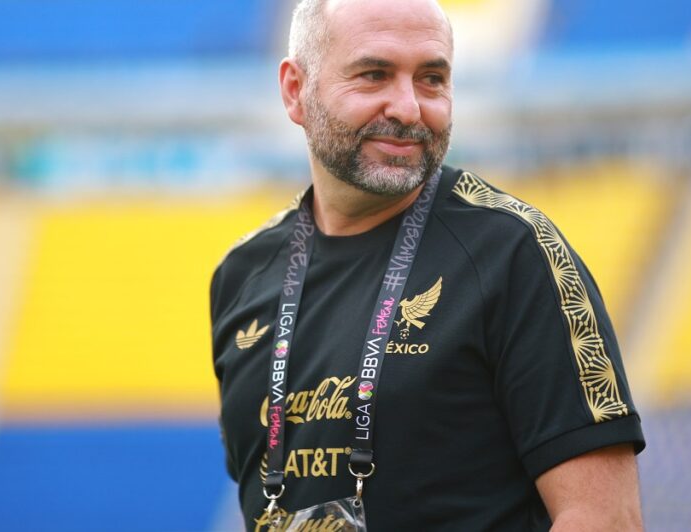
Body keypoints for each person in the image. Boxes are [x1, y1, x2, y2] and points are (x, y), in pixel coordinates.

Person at [210, 0, 646, 530]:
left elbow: (605, 517)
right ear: (296, 90)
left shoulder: (515, 253)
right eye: (374, 75)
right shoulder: (240, 275)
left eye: (432, 79)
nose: (409, 108)